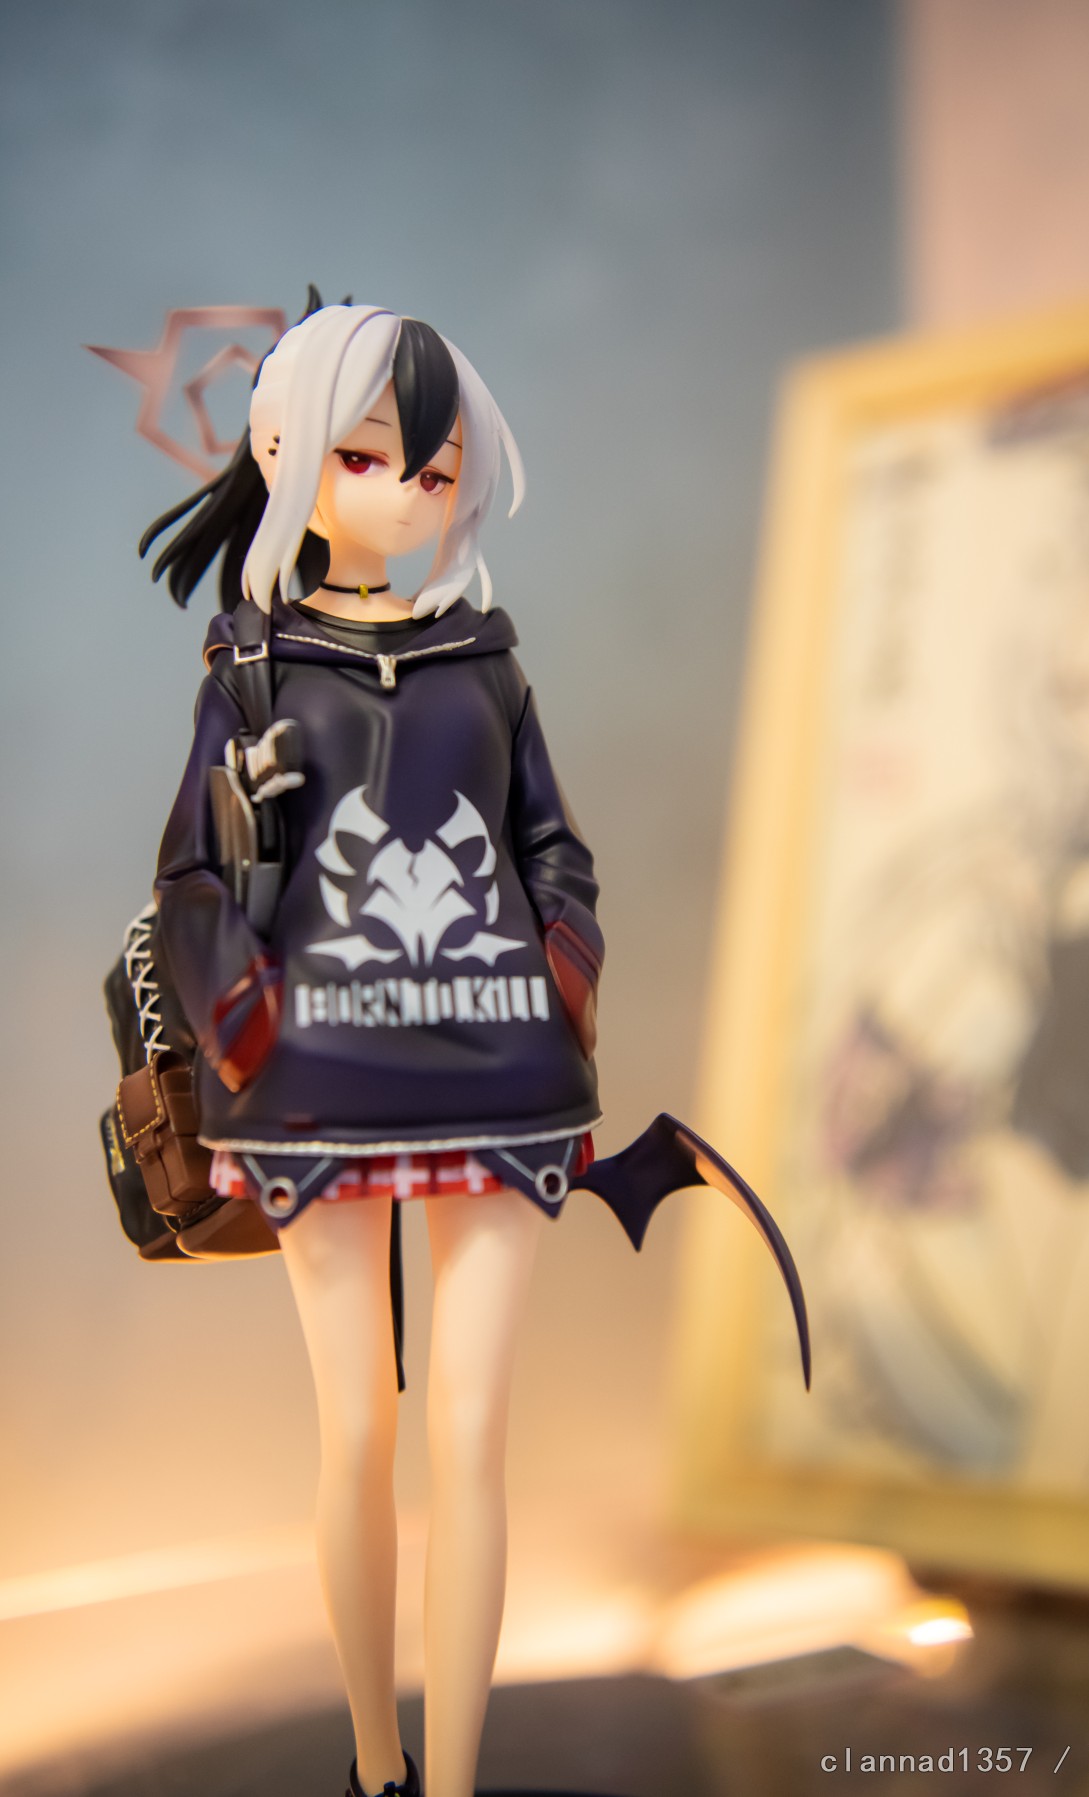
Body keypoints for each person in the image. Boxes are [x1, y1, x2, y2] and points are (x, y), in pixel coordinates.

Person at [144, 298, 603, 1797]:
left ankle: (451, 1778)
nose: (407, 491)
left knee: (473, 1435)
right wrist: (239, 1012)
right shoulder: (254, 669)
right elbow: (191, 877)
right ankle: (371, 1760)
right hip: (316, 1081)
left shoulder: (488, 661)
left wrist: (563, 968)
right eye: (366, 455)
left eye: (436, 466)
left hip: (499, 1072)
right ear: (288, 452)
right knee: (360, 1429)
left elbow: (553, 846)